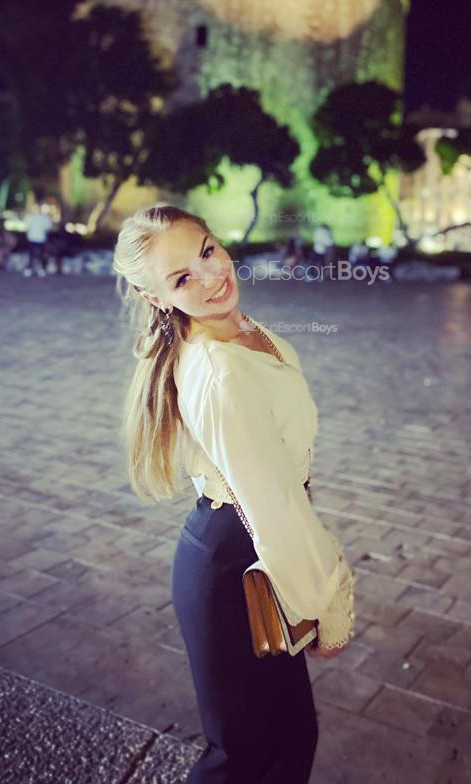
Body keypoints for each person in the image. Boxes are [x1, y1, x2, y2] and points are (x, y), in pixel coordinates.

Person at [112, 205, 355, 784]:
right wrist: (329, 603)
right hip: (236, 563)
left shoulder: (238, 329)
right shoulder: (220, 373)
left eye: (206, 251)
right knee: (243, 757)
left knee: (289, 739)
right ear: (155, 299)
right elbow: (272, 507)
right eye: (181, 278)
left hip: (247, 542)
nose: (210, 275)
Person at [23, 203, 54, 277]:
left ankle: (29, 269)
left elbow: (27, 227)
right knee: (40, 255)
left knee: (31, 254)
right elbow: (49, 229)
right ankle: (41, 270)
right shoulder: (45, 218)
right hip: (41, 239)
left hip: (32, 238)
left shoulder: (31, 217)